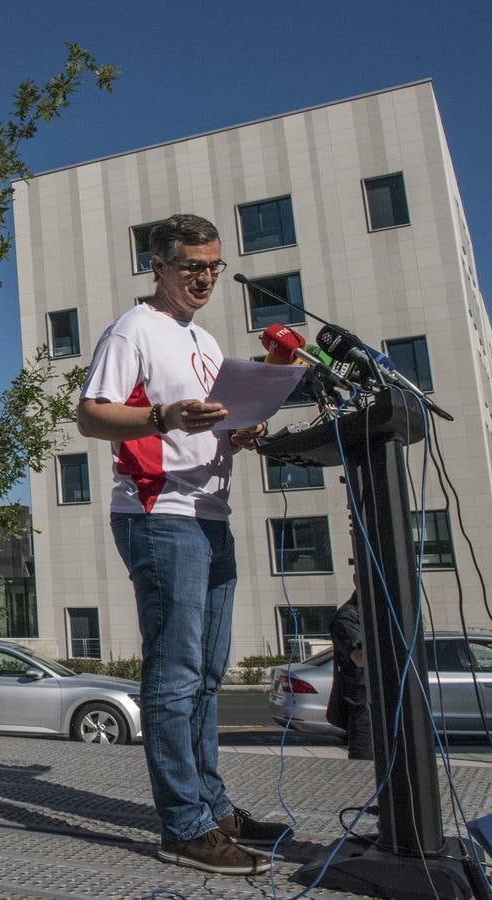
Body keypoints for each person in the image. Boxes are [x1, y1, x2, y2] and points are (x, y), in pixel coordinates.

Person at [76, 214, 288, 876]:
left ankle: (211, 807)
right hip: (159, 513)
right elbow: (90, 414)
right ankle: (183, 827)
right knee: (174, 673)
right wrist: (163, 417)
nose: (204, 278)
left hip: (211, 512)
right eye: (192, 266)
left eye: (213, 267)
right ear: (159, 267)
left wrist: (236, 431)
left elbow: (204, 420)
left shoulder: (205, 340)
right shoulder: (133, 328)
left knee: (206, 672)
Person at [326, 591, 372, 760]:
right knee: (366, 765)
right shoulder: (347, 616)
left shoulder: (380, 610)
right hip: (365, 705)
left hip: (387, 703)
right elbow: (359, 658)